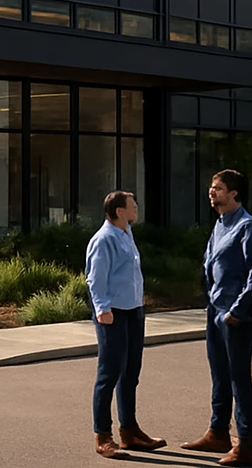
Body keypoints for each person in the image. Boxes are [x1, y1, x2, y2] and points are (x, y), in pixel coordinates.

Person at [182, 169, 252, 468]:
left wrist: (236, 311)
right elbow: (210, 264)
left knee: (239, 379)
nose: (211, 191)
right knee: (219, 376)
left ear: (233, 193)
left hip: (237, 317)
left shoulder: (246, 226)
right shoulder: (219, 224)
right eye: (211, 187)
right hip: (215, 311)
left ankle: (246, 447)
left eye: (218, 188)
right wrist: (210, 300)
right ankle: (218, 433)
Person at [86, 190, 164, 458]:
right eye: (133, 206)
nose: (136, 208)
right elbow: (95, 278)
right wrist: (102, 309)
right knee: (109, 373)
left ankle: (129, 431)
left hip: (133, 311)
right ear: (119, 211)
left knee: (131, 373)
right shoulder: (104, 239)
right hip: (114, 313)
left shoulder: (126, 233)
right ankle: (102, 436)